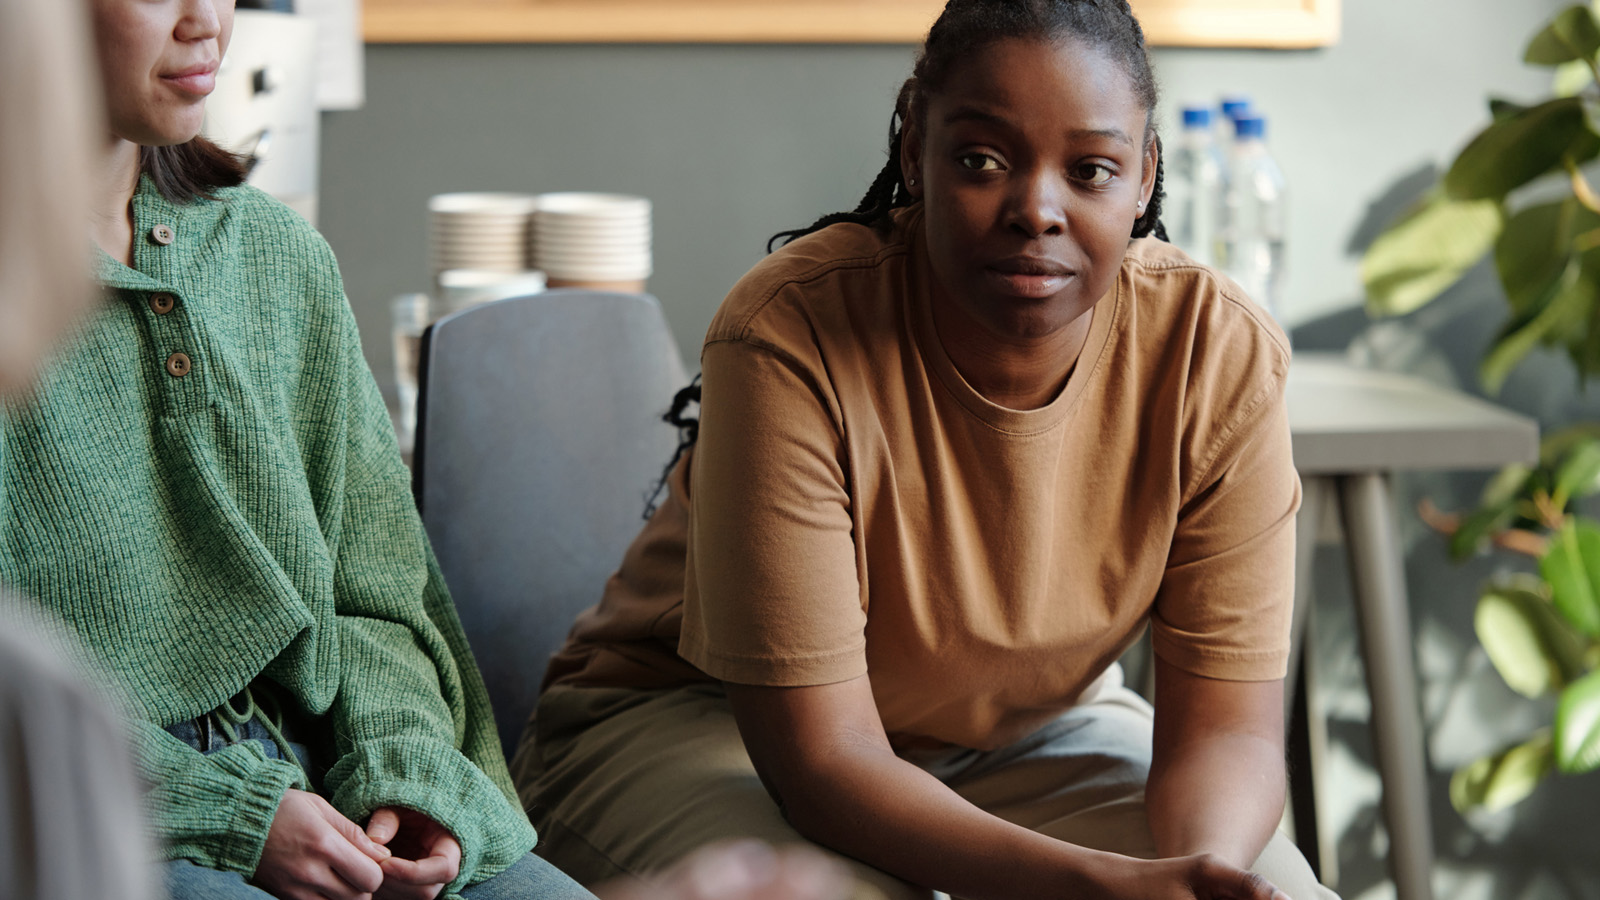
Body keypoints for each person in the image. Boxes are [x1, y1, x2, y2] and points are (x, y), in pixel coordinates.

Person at [512, 1, 1337, 899]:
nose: (1036, 211)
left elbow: (1227, 733)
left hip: (1027, 732)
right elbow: (824, 763)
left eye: (1091, 170)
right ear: (914, 146)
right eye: (982, 160)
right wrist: (1097, 885)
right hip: (700, 722)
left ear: (1144, 177)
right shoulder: (790, 333)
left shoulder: (1217, 351)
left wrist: (1196, 877)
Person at [0, 1, 598, 897]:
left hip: (339, 785)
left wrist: (403, 773)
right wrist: (234, 811)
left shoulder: (277, 257)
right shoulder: (21, 301)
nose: (207, 20)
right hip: (120, 810)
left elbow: (379, 598)